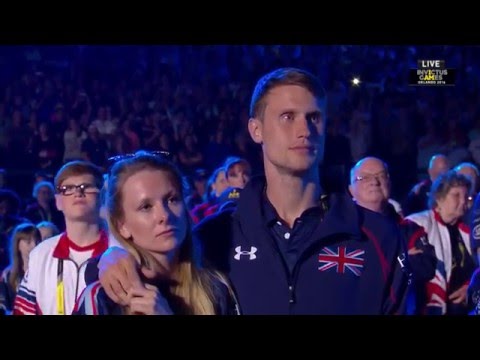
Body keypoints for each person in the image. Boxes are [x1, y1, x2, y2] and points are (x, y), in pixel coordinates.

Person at [92, 68, 411, 314]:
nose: (304, 130)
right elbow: (154, 262)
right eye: (288, 117)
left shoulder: (378, 236)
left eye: (314, 117)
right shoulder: (216, 237)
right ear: (255, 130)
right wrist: (112, 255)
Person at [74, 152, 236, 315]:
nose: (164, 215)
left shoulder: (217, 288)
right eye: (146, 207)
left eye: (172, 199)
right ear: (122, 226)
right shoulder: (103, 299)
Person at [13, 160, 108, 315]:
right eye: (68, 188)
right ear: (58, 201)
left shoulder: (118, 251)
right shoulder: (41, 254)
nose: (78, 192)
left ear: (102, 197)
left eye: (87, 186)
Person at [348, 157, 436, 314]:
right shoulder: (339, 230)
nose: (374, 182)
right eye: (364, 178)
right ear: (351, 189)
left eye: (381, 176)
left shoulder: (410, 229)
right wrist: (403, 259)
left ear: (389, 182)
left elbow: (426, 268)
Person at [406, 170, 476, 315]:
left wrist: (470, 286)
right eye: (456, 195)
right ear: (439, 198)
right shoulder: (417, 224)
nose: (463, 201)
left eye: (466, 196)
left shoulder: (469, 229)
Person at [0, 223, 41, 315]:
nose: (34, 245)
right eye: (28, 242)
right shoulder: (7, 276)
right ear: (18, 245)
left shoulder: (44, 272)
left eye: (37, 241)